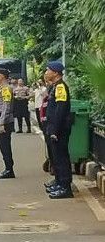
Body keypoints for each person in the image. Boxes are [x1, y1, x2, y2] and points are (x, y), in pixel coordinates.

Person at [44, 61, 74, 199]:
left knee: (61, 157)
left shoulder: (61, 87)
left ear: (55, 73)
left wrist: (55, 130)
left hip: (59, 128)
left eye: (48, 70)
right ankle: (59, 182)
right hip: (54, 127)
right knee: (56, 157)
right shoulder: (55, 86)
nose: (46, 72)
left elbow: (61, 109)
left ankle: (65, 187)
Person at [0, 68, 15, 179]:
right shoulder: (1, 89)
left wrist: (2, 124)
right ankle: (8, 168)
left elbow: (6, 106)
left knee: (5, 146)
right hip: (0, 120)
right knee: (3, 145)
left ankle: (9, 170)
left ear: (2, 76)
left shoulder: (6, 89)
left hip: (4, 122)